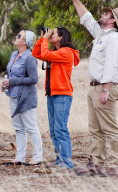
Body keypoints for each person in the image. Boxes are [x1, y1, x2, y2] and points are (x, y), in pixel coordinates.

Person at [63, 0, 118, 176]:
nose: (102, 15)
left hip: (104, 87)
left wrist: (106, 89)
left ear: (112, 21)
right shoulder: (102, 35)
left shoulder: (114, 39)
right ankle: (96, 164)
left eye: (106, 14)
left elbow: (111, 65)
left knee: (110, 128)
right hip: (94, 87)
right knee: (95, 128)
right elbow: (87, 19)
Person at [32, 26, 80, 169]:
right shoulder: (55, 53)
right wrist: (42, 39)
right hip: (52, 95)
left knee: (60, 129)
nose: (50, 35)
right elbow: (36, 53)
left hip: (62, 95)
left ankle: (66, 163)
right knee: (54, 131)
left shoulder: (66, 52)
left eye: (53, 33)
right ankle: (60, 162)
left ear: (61, 37)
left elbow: (44, 54)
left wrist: (45, 40)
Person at [2, 30, 43, 166]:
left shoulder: (30, 57)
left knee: (31, 127)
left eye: (19, 36)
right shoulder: (14, 54)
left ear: (25, 41)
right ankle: (20, 157)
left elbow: (33, 79)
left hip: (26, 97)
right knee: (19, 128)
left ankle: (37, 157)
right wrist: (6, 83)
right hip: (13, 95)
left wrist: (13, 81)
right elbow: (11, 74)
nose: (16, 37)